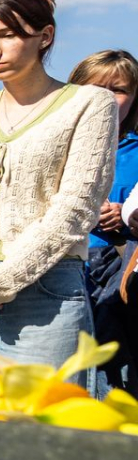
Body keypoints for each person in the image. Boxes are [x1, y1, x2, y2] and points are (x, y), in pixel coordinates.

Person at [0, 0, 119, 371]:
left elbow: (77, 205)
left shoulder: (89, 103)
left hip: (45, 290)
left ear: (45, 36)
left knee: (36, 424)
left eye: (7, 35)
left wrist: (4, 278)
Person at [69, 49, 138, 389]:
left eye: (119, 89)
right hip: (66, 269)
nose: (107, 98)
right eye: (96, 88)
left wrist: (125, 215)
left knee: (116, 369)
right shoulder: (55, 145)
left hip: (120, 270)